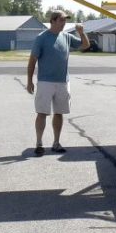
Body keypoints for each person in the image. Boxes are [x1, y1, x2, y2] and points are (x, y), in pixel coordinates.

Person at [27, 11, 89, 156]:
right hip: (45, 82)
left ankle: (56, 143)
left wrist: (81, 32)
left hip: (62, 82)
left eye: (65, 20)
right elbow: (32, 61)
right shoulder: (41, 38)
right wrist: (29, 81)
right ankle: (39, 143)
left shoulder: (66, 36)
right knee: (42, 113)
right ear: (53, 21)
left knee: (59, 113)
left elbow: (85, 45)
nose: (64, 23)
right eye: (61, 20)